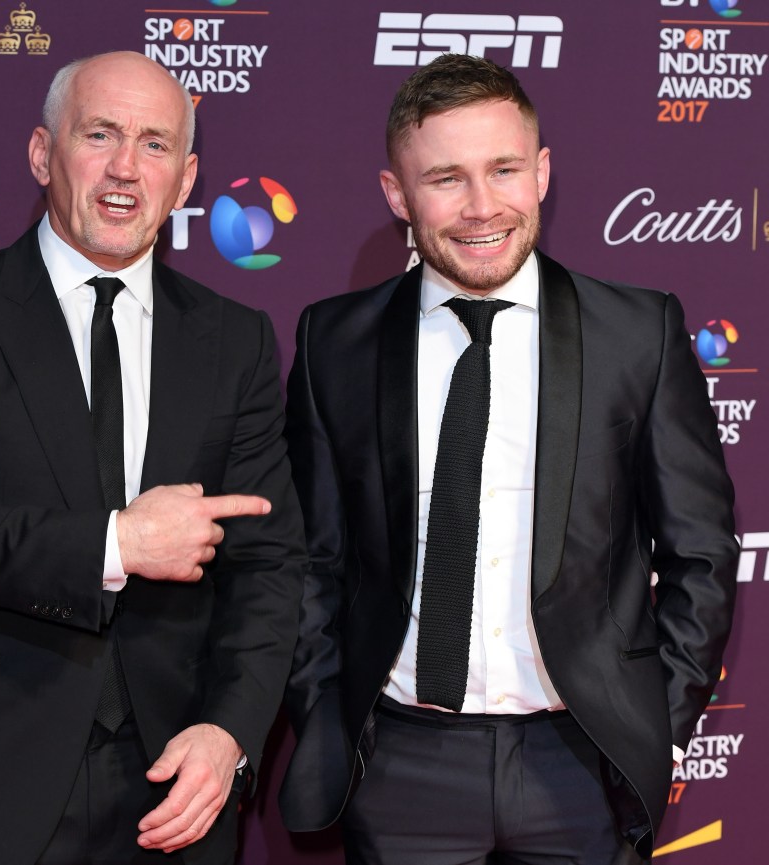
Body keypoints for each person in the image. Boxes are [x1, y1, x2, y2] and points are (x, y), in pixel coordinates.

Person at [278, 54, 737, 864]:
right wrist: (326, 710)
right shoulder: (333, 341)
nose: (482, 206)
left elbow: (700, 551)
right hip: (401, 765)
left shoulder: (638, 332)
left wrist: (653, 722)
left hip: (582, 764)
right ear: (397, 195)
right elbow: (313, 559)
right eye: (446, 178)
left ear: (543, 173)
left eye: (504, 170)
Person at [0, 51, 306, 865]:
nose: (125, 168)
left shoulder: (234, 338)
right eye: (99, 134)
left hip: (176, 786)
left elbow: (270, 564)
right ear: (43, 153)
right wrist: (120, 544)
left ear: (187, 179)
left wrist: (231, 732)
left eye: (155, 144)